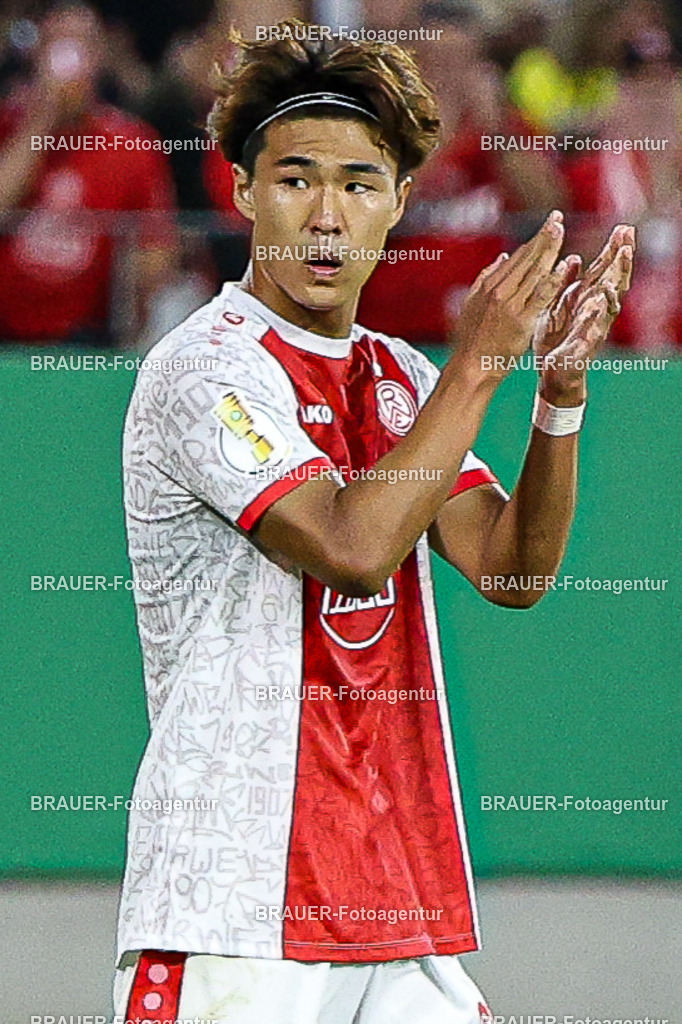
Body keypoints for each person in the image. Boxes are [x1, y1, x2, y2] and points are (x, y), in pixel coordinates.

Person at [114, 21, 634, 1024]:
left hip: (394, 906)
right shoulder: (203, 367)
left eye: (358, 184)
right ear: (242, 191)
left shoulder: (401, 374)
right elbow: (352, 550)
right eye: (295, 178)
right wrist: (482, 358)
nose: (325, 214)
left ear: (396, 203)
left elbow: (509, 569)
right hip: (236, 909)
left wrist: (555, 397)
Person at [0, 3, 176, 344]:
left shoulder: (132, 142)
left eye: (83, 44)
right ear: (36, 52)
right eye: (58, 42)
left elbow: (156, 251)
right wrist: (43, 120)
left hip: (87, 339)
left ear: (100, 56)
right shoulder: (6, 126)